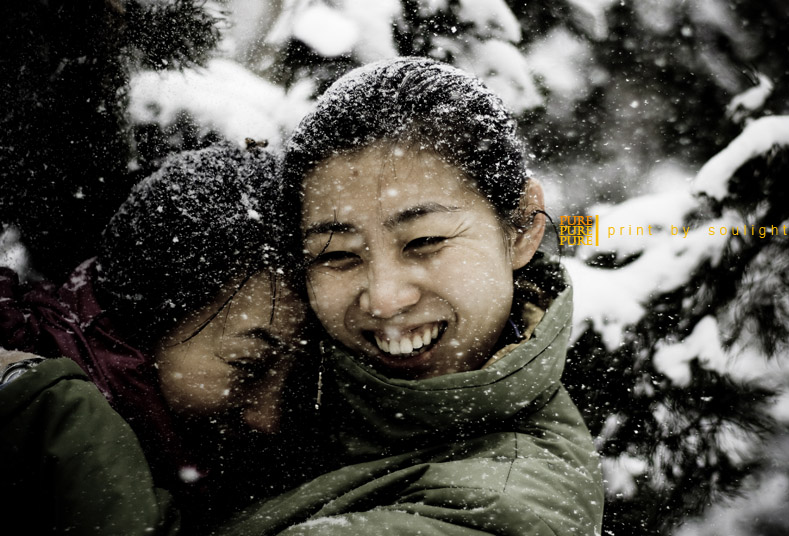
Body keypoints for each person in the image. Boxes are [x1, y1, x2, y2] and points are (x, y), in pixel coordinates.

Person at [217, 57, 604, 535]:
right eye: (338, 255)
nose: (384, 299)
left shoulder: (514, 499)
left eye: (424, 242)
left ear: (522, 226)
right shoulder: (273, 365)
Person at [0, 141, 316, 534]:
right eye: (248, 364)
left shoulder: (170, 433)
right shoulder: (22, 424)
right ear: (147, 320)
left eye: (302, 373)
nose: (269, 419)